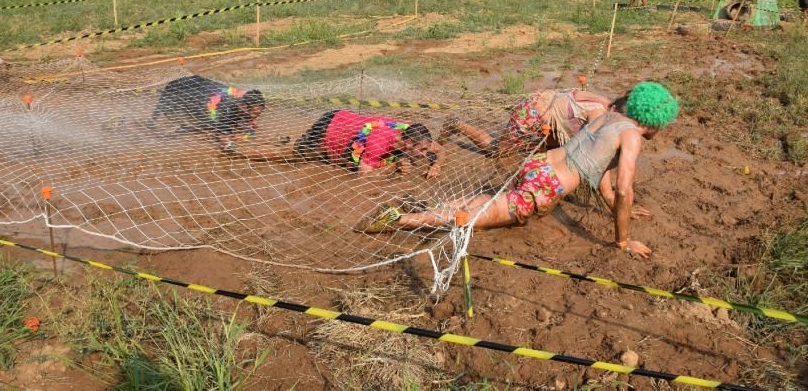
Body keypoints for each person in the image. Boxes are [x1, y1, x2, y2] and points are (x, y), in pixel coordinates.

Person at [365, 82, 679, 260]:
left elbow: (603, 182)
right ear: (655, 122)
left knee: (487, 201)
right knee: (476, 219)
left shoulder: (605, 118)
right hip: (546, 186)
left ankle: (423, 210)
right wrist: (623, 241)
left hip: (537, 164)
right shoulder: (632, 136)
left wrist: (619, 207)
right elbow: (623, 188)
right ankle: (402, 220)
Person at [234, 109, 444, 178]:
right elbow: (364, 175)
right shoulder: (379, 142)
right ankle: (240, 152)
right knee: (291, 156)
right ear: (407, 143)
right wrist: (392, 167)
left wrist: (437, 164)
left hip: (345, 132)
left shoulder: (411, 131)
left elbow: (440, 150)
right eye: (422, 150)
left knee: (319, 158)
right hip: (329, 126)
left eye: (426, 149)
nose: (425, 154)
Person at [439, 87, 614, 158]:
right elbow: (589, 150)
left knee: (552, 148)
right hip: (532, 114)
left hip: (543, 105)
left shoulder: (606, 103)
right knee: (496, 150)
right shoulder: (599, 114)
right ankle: (456, 123)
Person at [148, 75, 266, 141]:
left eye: (259, 113)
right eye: (255, 113)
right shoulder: (227, 110)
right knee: (202, 123)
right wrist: (243, 136)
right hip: (182, 89)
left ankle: (153, 120)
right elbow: (224, 136)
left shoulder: (245, 96)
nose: (256, 116)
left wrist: (250, 123)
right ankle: (154, 121)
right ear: (244, 107)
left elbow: (250, 122)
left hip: (199, 85)